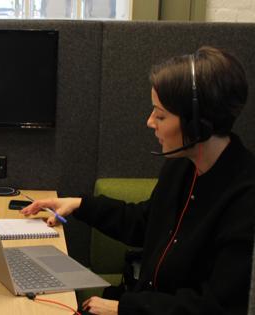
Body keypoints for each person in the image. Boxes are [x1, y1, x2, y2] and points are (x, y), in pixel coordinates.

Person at [22, 46, 255, 315]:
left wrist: (124, 308)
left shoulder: (245, 199)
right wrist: (80, 205)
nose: (149, 122)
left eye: (160, 115)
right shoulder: (182, 166)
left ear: (197, 125)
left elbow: (217, 308)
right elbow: (146, 222)